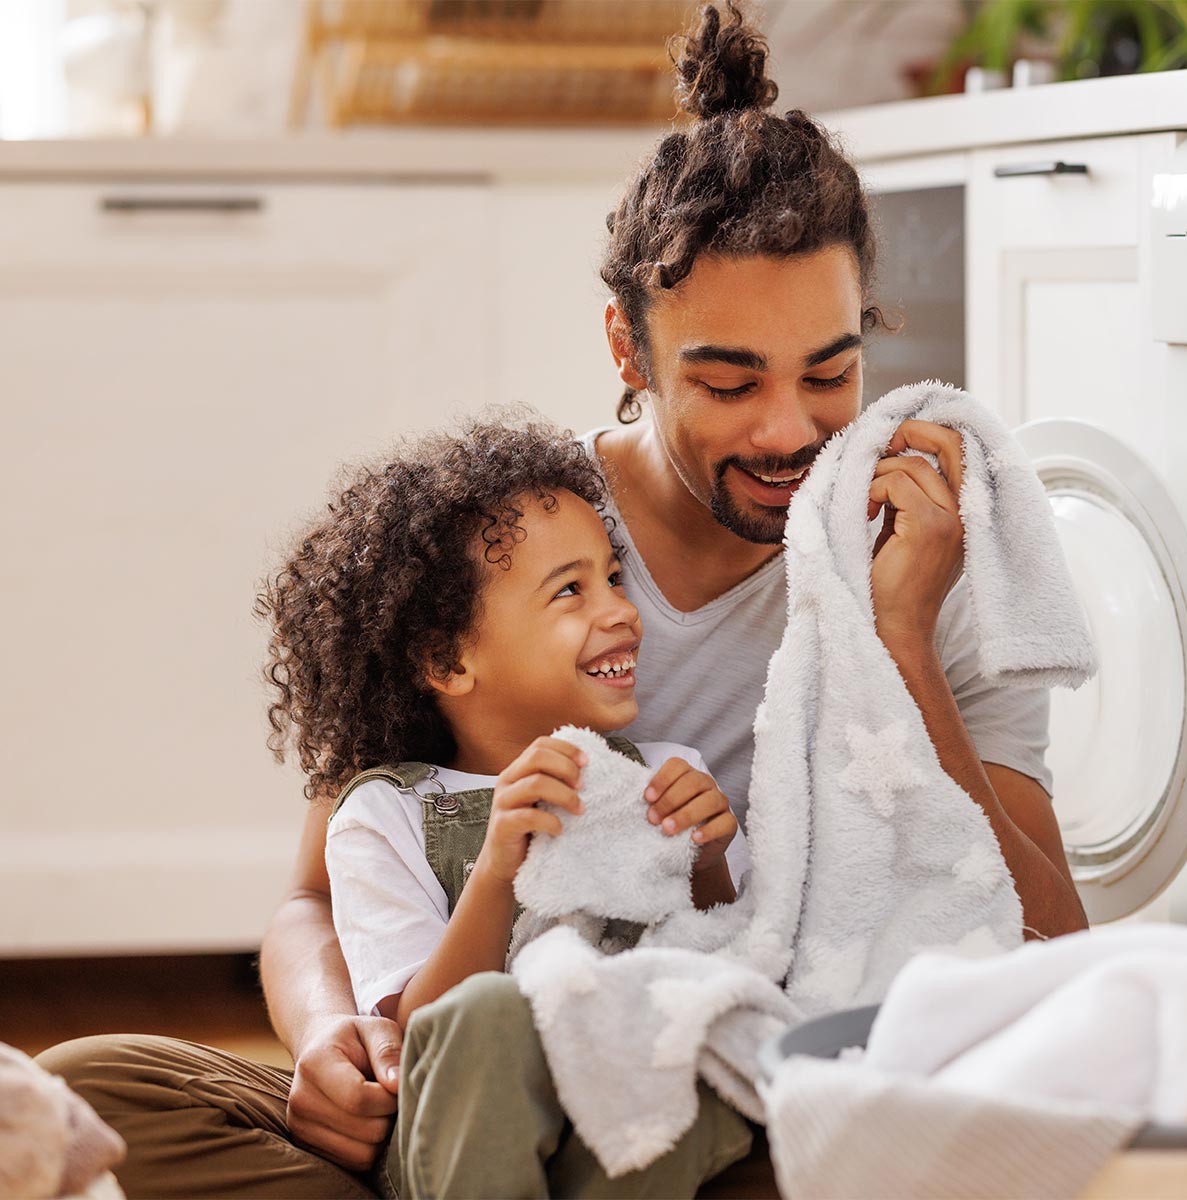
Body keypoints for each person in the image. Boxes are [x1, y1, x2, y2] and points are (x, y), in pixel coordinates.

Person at [36, 3, 1089, 1196]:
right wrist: (334, 1036)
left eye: (831, 373)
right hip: (476, 1055)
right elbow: (312, 897)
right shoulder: (522, 540)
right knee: (90, 1088)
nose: (788, 430)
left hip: (712, 1071)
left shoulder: (925, 555)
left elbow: (1055, 948)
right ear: (628, 351)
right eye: (727, 380)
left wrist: (899, 639)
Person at [256, 419, 752, 1196]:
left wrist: (711, 862)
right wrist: (493, 872)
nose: (621, 610)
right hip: (457, 1132)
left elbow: (728, 950)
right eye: (570, 591)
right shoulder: (386, 814)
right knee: (489, 1017)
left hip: (618, 1114)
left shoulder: (664, 773)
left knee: (697, 1047)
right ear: (449, 659)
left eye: (615, 577)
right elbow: (426, 1033)